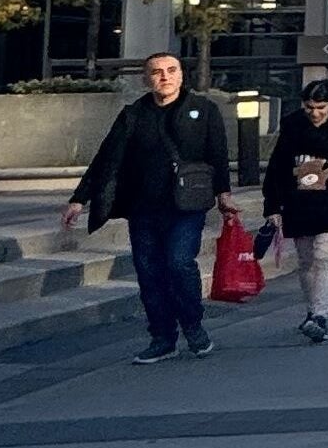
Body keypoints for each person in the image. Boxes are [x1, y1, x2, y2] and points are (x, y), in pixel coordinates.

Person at [65, 52, 235, 364]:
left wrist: (224, 195)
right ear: (147, 79)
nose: (165, 77)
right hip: (143, 207)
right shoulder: (134, 114)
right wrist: (80, 198)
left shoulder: (203, 109)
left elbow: (218, 155)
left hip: (186, 205)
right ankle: (162, 336)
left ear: (182, 75)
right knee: (149, 272)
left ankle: (193, 325)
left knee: (179, 262)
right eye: (157, 72)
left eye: (171, 70)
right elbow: (107, 157)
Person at [261, 79, 328, 345]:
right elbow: (277, 166)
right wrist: (272, 205)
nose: (315, 113)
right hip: (300, 201)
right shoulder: (292, 124)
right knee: (307, 260)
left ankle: (320, 316)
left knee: (325, 257)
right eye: (309, 107)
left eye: (320, 107)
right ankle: (312, 309)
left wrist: (321, 148)